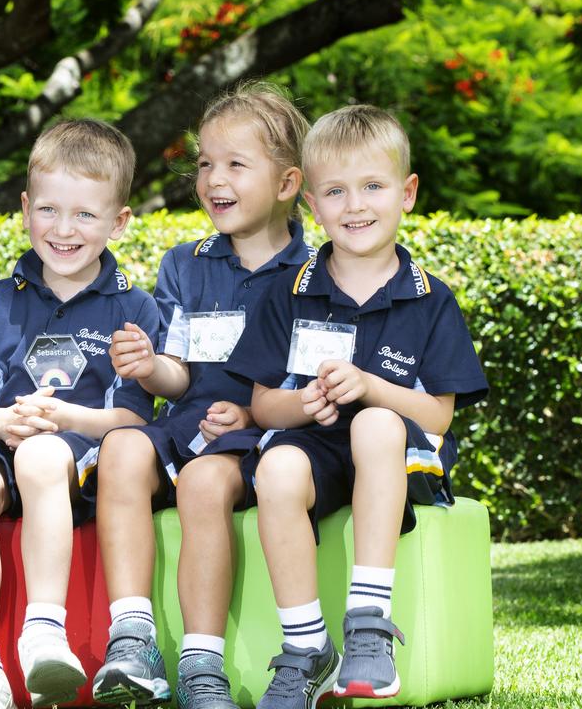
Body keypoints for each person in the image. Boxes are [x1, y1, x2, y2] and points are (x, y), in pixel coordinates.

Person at [224, 104, 488, 709]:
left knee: (373, 423)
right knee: (276, 469)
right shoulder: (288, 292)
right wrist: (304, 401)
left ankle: (368, 624)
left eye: (373, 186)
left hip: (399, 458)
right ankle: (305, 648)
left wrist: (369, 387)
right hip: (315, 449)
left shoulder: (431, 300)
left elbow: (439, 417)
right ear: (313, 205)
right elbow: (264, 407)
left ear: (408, 193)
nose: (355, 205)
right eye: (336, 191)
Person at [91, 84, 313, 708]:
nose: (214, 178)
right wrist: (148, 365)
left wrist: (249, 410)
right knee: (122, 448)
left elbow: (306, 384)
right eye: (205, 163)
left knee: (205, 481)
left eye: (236, 164)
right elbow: (178, 373)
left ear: (289, 182)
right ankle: (132, 636)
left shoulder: (313, 275)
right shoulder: (183, 265)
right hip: (186, 421)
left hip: (266, 436)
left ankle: (202, 668)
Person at [0, 119, 159, 709]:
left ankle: (43, 632)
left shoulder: (133, 309)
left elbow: (132, 422)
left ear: (118, 222)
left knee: (40, 455)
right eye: (48, 210)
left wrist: (64, 418)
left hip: (77, 460)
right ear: (24, 208)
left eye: (85, 216)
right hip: (0, 440)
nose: (63, 230)